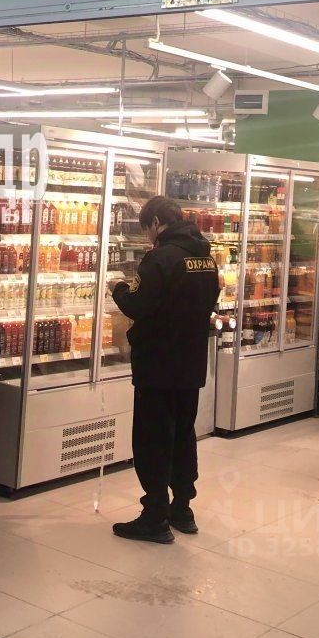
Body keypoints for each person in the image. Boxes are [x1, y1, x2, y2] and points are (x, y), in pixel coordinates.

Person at [109, 196, 220, 544]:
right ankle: (182, 508)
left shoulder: (159, 259)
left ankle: (154, 515)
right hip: (191, 363)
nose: (148, 236)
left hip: (157, 364)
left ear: (156, 223)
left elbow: (137, 304)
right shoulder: (206, 257)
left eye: (147, 228)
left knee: (153, 438)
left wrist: (118, 288)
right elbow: (211, 301)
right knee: (183, 434)